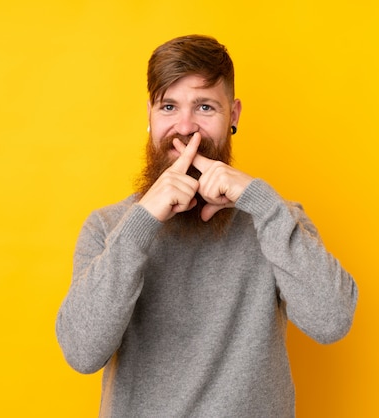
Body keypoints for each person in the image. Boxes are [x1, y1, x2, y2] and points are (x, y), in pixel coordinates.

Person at [56, 34, 358, 417]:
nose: (186, 128)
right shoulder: (108, 227)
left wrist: (260, 201)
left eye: (204, 107)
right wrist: (142, 222)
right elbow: (81, 352)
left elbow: (332, 321)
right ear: (148, 114)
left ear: (233, 116)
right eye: (168, 106)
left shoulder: (275, 220)